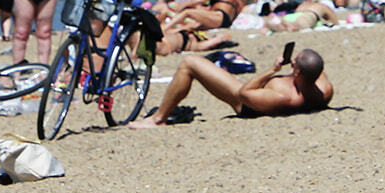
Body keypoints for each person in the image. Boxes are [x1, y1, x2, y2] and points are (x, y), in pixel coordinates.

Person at [129, 47, 332, 130]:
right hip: (264, 96)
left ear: (296, 73)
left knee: (189, 62)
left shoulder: (284, 95)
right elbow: (316, 68)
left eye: (294, 64)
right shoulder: (324, 90)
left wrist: (272, 70)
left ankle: (158, 119)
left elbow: (243, 94)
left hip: (246, 105)